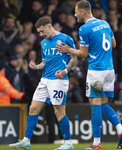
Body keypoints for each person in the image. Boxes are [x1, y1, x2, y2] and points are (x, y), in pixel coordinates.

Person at [56, 0, 122, 149]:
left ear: (83, 11)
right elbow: (114, 44)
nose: (75, 14)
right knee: (103, 104)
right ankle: (121, 130)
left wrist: (68, 50)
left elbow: (83, 54)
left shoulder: (84, 29)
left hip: (96, 71)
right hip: (109, 70)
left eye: (76, 11)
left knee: (95, 106)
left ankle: (96, 143)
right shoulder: (105, 23)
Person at [9, 16, 77, 150]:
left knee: (59, 112)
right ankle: (26, 141)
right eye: (39, 32)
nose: (40, 34)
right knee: (33, 108)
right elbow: (45, 62)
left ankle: (68, 143)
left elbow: (74, 59)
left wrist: (65, 71)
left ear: (49, 26)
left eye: (41, 31)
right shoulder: (43, 43)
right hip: (45, 79)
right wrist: (37, 66)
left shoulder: (65, 39)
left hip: (59, 80)